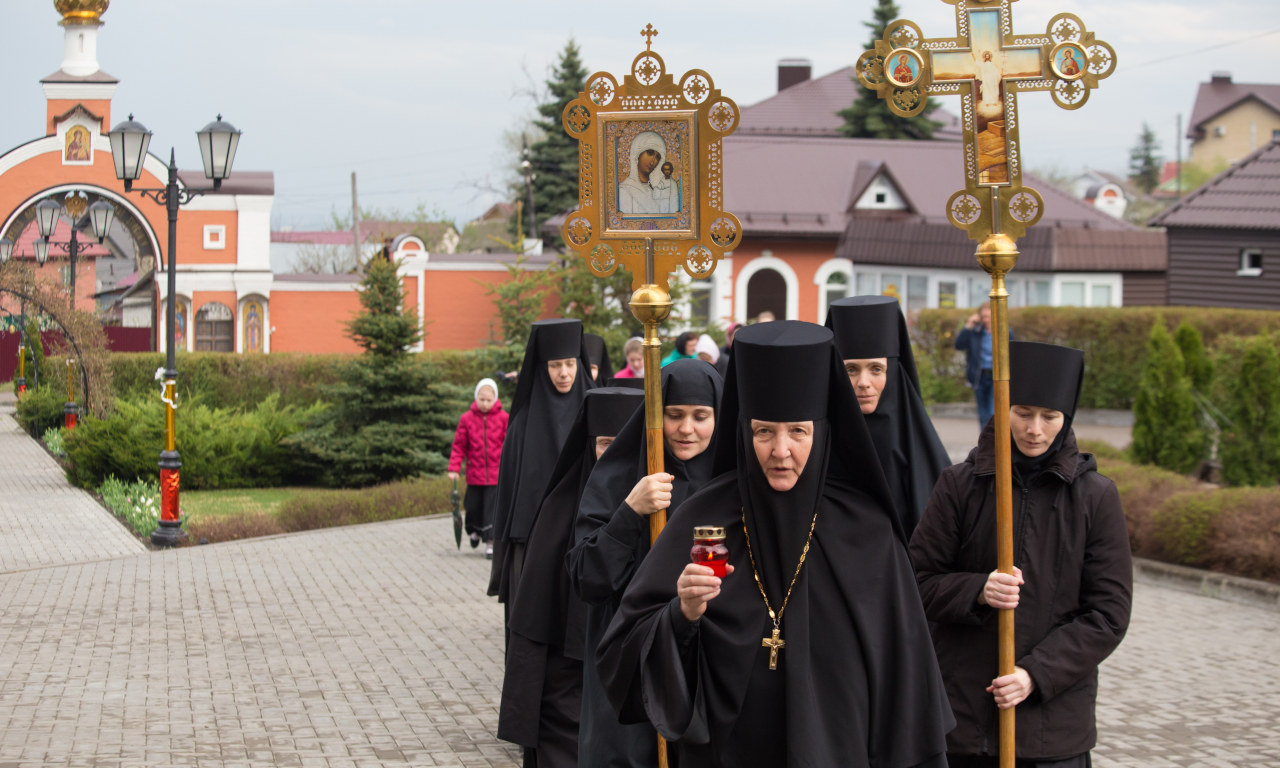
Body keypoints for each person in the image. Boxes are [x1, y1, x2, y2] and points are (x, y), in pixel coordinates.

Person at [597, 321, 953, 768]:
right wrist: (680, 614)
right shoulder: (703, 520)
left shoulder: (869, 531)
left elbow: (908, 687)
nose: (779, 450)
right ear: (744, 430)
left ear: (822, 432)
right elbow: (622, 654)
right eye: (764, 431)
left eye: (798, 432)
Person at [910, 341, 1133, 768]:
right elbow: (916, 582)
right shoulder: (960, 486)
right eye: (1023, 413)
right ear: (1003, 407)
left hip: (1052, 730)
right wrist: (977, 589)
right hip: (962, 721)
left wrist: (1036, 674)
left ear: (1066, 420)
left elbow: (1107, 614)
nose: (1035, 429)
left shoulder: (1095, 497)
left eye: (1049, 417)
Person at [568, 358, 723, 768]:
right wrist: (630, 512)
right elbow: (586, 577)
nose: (686, 428)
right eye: (673, 415)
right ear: (655, 417)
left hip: (706, 666)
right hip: (628, 666)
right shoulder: (619, 478)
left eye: (700, 416)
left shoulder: (731, 484)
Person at [499, 386, 644, 768]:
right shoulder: (559, 510)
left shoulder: (659, 503)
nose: (612, 455)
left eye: (623, 444)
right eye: (604, 444)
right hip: (569, 686)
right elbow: (534, 623)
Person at [488, 319, 595, 609]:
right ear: (541, 367)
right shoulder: (523, 423)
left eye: (571, 364)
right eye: (555, 365)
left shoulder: (594, 414)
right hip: (532, 545)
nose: (564, 373)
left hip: (582, 538)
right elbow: (512, 494)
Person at [826, 295, 951, 536]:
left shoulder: (914, 442)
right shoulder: (817, 437)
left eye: (876, 369)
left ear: (892, 373)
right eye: (850, 369)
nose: (863, 383)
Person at [447, 377, 509, 557]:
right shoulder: (466, 419)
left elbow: (509, 444)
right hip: (475, 473)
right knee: (472, 506)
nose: (485, 403)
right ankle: (473, 531)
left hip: (496, 475)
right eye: (481, 399)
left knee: (491, 510)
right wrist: (454, 468)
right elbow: (459, 445)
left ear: (495, 399)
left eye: (489, 400)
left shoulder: (503, 418)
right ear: (476, 398)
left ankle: (490, 543)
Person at [955, 301, 1014, 428]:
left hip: (997, 376)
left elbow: (1012, 352)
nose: (986, 320)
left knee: (994, 412)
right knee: (983, 414)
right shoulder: (975, 332)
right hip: (979, 376)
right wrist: (968, 326)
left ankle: (995, 441)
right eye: (983, 317)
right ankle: (985, 444)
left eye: (988, 316)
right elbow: (959, 345)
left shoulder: (1004, 331)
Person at [618, 132, 667, 215]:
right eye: (650, 153)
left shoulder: (656, 190)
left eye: (657, 157)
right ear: (637, 154)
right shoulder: (625, 190)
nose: (653, 161)